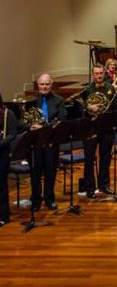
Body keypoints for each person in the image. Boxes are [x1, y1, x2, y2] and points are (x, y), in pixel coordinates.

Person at [27, 73, 67, 211]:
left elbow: (62, 118)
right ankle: (36, 200)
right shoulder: (30, 100)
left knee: (50, 171)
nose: (44, 87)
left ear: (51, 84)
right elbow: (21, 120)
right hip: (35, 142)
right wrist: (30, 126)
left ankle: (50, 199)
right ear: (38, 85)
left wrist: (44, 127)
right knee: (35, 172)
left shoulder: (59, 100)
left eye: (47, 84)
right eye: (41, 84)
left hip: (51, 141)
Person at [80, 64, 117, 198]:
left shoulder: (110, 88)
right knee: (89, 158)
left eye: (101, 73)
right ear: (92, 74)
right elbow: (81, 108)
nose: (99, 76)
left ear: (104, 73)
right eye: (96, 73)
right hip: (91, 128)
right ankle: (90, 187)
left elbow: (114, 108)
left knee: (106, 157)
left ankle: (104, 185)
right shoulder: (86, 90)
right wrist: (88, 107)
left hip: (106, 128)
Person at [0, 93, 18, 227]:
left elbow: (12, 134)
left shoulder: (7, 113)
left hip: (2, 154)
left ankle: (4, 215)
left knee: (1, 185)